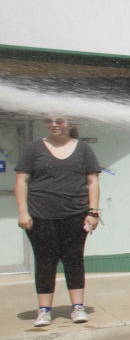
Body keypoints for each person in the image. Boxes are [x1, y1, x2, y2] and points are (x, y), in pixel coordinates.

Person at [14, 114, 101, 327]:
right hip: (40, 216)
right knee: (45, 261)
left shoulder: (83, 149)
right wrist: (23, 212)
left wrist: (93, 212)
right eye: (48, 121)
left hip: (76, 214)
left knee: (74, 259)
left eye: (59, 121)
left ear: (69, 123)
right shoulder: (34, 148)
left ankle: (78, 307)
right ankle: (44, 310)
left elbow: (93, 182)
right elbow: (21, 180)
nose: (54, 125)